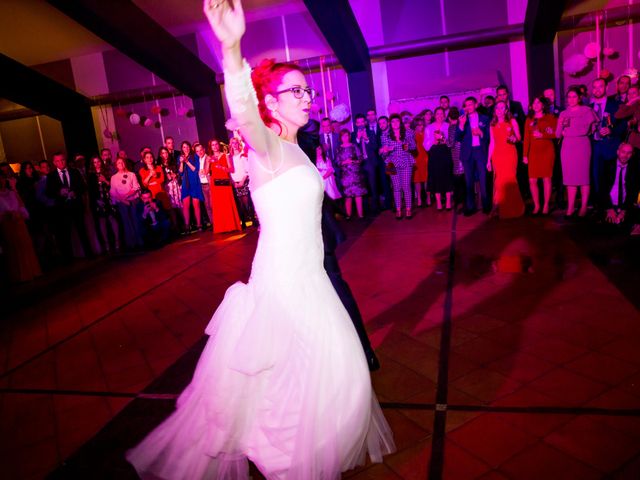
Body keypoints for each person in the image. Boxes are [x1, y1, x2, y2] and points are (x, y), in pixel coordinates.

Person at [127, 2, 394, 479]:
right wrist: (231, 48)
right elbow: (243, 112)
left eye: (307, 90)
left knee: (339, 376)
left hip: (312, 279)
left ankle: (301, 456)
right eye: (296, 91)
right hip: (284, 284)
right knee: (310, 379)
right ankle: (288, 460)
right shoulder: (266, 146)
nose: (307, 97)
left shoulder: (296, 148)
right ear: (271, 103)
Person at [556, 86, 599, 218]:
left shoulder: (587, 111)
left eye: (574, 96)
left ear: (580, 98)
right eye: (569, 97)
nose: (571, 99)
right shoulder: (563, 113)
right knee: (570, 178)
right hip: (567, 146)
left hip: (582, 144)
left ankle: (584, 207)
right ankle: (570, 207)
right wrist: (562, 127)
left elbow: (593, 129)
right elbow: (557, 135)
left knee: (583, 176)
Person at [45, 152, 94, 260]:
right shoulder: (51, 176)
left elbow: (83, 187)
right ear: (54, 163)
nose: (60, 162)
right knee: (64, 234)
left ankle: (89, 254)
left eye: (62, 160)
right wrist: (59, 192)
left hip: (76, 206)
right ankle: (68, 258)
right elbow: (48, 192)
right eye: (57, 161)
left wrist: (75, 192)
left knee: (82, 230)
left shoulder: (74, 172)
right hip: (62, 209)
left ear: (65, 160)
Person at [0, 170, 41, 282]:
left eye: (2, 178)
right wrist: (6, 215)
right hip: (7, 225)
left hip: (19, 223)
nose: (1, 181)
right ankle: (19, 275)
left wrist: (19, 213)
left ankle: (30, 271)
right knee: (14, 249)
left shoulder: (12, 192)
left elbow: (21, 205)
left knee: (25, 246)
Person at [488, 100, 524, 219]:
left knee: (510, 180)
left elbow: (519, 137)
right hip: (497, 155)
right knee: (499, 181)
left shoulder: (512, 121)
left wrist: (515, 138)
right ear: (495, 110)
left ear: (506, 110)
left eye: (502, 108)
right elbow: (492, 143)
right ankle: (499, 207)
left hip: (510, 153)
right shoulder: (492, 124)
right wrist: (488, 160)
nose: (499, 110)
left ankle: (513, 208)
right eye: (497, 108)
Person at [590, 77, 625, 197]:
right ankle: (599, 204)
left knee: (611, 175)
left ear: (606, 87)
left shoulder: (616, 105)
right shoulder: (588, 107)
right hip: (594, 146)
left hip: (611, 145)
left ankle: (613, 203)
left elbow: (624, 125)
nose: (597, 89)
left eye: (600, 86)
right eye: (594, 87)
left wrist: (612, 130)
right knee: (595, 176)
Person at [523, 96, 558, 215]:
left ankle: (546, 205)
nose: (536, 104)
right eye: (534, 102)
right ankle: (537, 205)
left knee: (546, 178)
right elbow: (526, 138)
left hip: (547, 151)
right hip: (533, 153)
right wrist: (525, 155)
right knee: (532, 180)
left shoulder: (551, 118)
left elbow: (556, 134)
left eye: (539, 102)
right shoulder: (529, 119)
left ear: (543, 105)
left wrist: (543, 135)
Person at [456, 96, 491, 215]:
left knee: (483, 180)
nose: (468, 107)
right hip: (467, 153)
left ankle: (486, 205)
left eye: (470, 104)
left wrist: (481, 133)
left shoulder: (485, 118)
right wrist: (461, 125)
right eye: (466, 105)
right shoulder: (462, 119)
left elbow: (489, 137)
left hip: (480, 152)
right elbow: (457, 137)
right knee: (469, 181)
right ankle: (471, 207)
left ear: (476, 105)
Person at [381, 113, 417, 219]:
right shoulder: (385, 135)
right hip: (391, 163)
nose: (395, 123)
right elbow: (383, 153)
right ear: (390, 123)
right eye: (393, 121)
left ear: (400, 122)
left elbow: (414, 146)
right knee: (396, 188)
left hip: (406, 160)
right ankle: (398, 210)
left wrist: (408, 147)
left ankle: (408, 209)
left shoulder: (408, 133)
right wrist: (386, 150)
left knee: (406, 186)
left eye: (397, 121)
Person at [598, 142, 640, 229]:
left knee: (626, 225)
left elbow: (633, 191)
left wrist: (624, 211)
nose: (625, 155)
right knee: (607, 225)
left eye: (629, 153)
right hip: (609, 203)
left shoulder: (634, 168)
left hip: (625, 205)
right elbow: (602, 189)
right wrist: (609, 208)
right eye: (623, 152)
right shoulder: (607, 165)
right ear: (618, 152)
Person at [87, 157, 121, 253]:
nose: (97, 164)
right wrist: (96, 200)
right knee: (102, 222)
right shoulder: (91, 176)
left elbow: (113, 186)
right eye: (94, 162)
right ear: (92, 164)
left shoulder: (107, 172)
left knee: (112, 219)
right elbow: (90, 191)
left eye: (98, 162)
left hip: (109, 199)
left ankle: (117, 241)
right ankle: (106, 243)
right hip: (98, 200)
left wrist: (105, 180)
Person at [208, 139, 242, 233]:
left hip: (224, 181)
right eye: (212, 145)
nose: (214, 146)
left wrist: (223, 168)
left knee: (227, 203)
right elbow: (206, 171)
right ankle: (222, 228)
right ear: (211, 147)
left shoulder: (225, 155)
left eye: (216, 144)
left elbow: (231, 169)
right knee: (219, 205)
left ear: (219, 145)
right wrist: (208, 162)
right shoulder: (210, 158)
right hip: (215, 183)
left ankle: (231, 226)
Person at [110, 157, 143, 250]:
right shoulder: (113, 177)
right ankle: (131, 243)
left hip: (132, 200)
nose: (121, 164)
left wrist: (127, 196)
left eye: (122, 162)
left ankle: (139, 241)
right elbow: (113, 192)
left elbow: (136, 187)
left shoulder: (131, 174)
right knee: (126, 222)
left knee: (135, 220)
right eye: (119, 163)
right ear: (116, 165)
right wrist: (123, 199)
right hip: (122, 203)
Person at [424, 107, 453, 210]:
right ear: (434, 115)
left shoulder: (448, 126)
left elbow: (451, 142)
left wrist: (445, 140)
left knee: (447, 176)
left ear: (444, 116)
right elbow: (425, 145)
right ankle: (439, 202)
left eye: (441, 114)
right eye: (437, 114)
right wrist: (433, 142)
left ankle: (448, 201)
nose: (440, 116)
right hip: (434, 154)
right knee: (436, 178)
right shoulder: (428, 128)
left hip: (445, 153)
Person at [353, 113, 383, 214]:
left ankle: (375, 209)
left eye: (362, 121)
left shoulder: (371, 133)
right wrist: (357, 139)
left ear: (365, 122)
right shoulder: (353, 134)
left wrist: (366, 139)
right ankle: (365, 210)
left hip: (370, 163)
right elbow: (352, 149)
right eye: (358, 122)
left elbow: (375, 147)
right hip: (358, 165)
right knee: (362, 187)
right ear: (356, 124)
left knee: (373, 186)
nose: (361, 124)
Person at [336, 128, 367, 219]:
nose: (345, 137)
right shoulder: (338, 148)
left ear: (349, 136)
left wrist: (353, 161)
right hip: (345, 175)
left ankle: (360, 215)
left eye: (347, 135)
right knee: (347, 196)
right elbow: (337, 162)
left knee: (358, 195)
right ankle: (348, 215)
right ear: (340, 138)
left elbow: (360, 158)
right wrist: (344, 162)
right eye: (343, 136)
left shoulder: (354, 146)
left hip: (355, 174)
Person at [228, 135, 255, 227]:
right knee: (240, 203)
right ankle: (243, 221)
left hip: (243, 180)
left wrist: (242, 181)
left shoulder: (242, 154)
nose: (234, 145)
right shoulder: (229, 157)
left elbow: (247, 169)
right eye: (232, 143)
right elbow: (230, 171)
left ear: (238, 144)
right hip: (235, 182)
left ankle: (253, 219)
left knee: (247, 201)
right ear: (230, 145)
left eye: (235, 143)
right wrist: (234, 182)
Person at [178, 140, 204, 233]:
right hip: (186, 184)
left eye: (188, 146)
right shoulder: (180, 157)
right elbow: (180, 172)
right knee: (186, 205)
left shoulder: (194, 156)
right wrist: (181, 162)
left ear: (190, 147)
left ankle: (199, 225)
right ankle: (187, 226)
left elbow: (195, 169)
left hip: (194, 182)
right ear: (182, 148)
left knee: (196, 205)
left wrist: (187, 161)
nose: (186, 148)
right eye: (184, 147)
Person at [158, 146, 182, 232]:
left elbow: (179, 173)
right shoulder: (159, 165)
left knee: (179, 205)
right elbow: (161, 179)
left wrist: (176, 175)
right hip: (168, 187)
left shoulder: (173, 162)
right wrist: (167, 177)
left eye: (166, 152)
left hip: (176, 185)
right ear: (160, 155)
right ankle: (176, 228)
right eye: (163, 153)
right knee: (171, 207)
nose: (165, 155)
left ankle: (184, 225)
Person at [447, 107, 466, 209]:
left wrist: (442, 138)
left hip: (456, 155)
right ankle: (465, 203)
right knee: (464, 180)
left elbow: (450, 144)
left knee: (458, 181)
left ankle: (460, 203)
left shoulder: (451, 127)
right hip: (463, 153)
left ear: (449, 118)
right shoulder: (461, 126)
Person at [614, 84, 640, 150]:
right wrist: (629, 103)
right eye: (629, 94)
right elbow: (617, 115)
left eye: (634, 93)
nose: (631, 95)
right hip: (630, 140)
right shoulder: (630, 106)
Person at [411, 116, 429, 207]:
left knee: (426, 178)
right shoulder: (412, 134)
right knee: (417, 179)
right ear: (415, 126)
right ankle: (419, 198)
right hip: (416, 158)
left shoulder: (426, 133)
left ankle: (428, 197)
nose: (420, 127)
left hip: (425, 157)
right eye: (418, 125)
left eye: (422, 125)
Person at [195, 142, 213, 228]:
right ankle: (212, 223)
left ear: (204, 150)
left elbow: (206, 171)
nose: (200, 152)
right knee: (207, 205)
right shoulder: (197, 160)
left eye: (201, 150)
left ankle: (217, 223)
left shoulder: (208, 158)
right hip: (202, 185)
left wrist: (203, 171)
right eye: (197, 151)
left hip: (209, 184)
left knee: (212, 204)